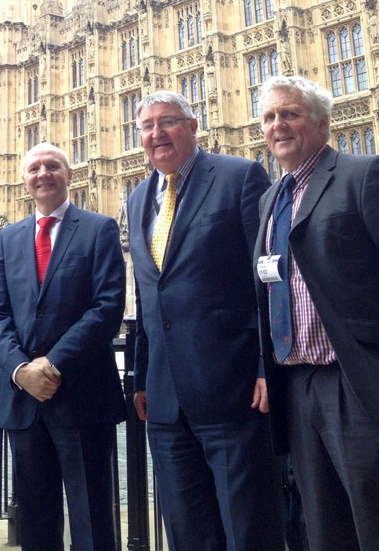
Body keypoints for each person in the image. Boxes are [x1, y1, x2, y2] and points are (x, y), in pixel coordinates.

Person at [255, 75, 379, 550]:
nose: (278, 126)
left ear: (322, 123)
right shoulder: (272, 199)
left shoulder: (365, 174)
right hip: (298, 385)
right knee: (324, 528)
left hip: (361, 382)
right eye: (269, 117)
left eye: (289, 113)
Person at [128, 91, 284, 550]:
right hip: (164, 399)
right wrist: (140, 376)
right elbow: (147, 292)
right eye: (147, 126)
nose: (157, 133)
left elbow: (268, 277)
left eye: (168, 122)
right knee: (187, 531)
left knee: (247, 527)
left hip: (232, 388)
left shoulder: (239, 176)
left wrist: (266, 364)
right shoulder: (137, 198)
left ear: (194, 127)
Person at [0, 143, 126, 551]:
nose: (43, 173)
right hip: (23, 400)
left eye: (52, 166)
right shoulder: (7, 239)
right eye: (34, 168)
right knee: (33, 516)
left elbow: (107, 307)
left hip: (82, 394)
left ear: (69, 174)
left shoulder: (99, 228)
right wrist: (20, 370)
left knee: (93, 514)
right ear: (24, 180)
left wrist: (54, 364)